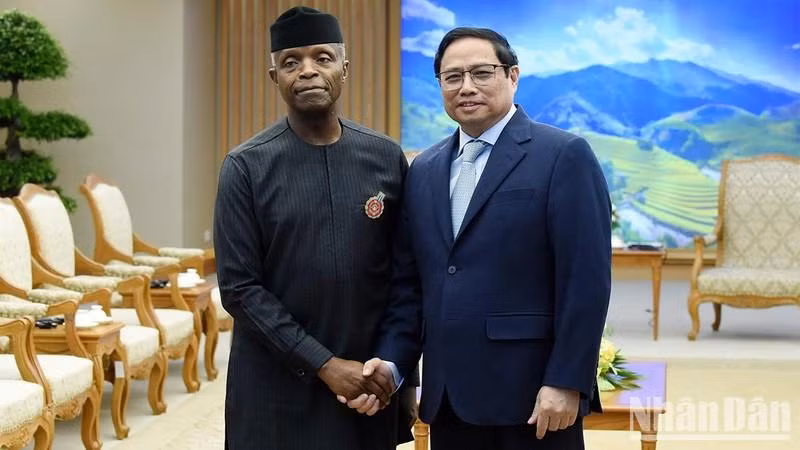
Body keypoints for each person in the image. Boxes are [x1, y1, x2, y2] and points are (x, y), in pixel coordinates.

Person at [348, 27, 612, 450]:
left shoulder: (563, 155)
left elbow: (586, 282)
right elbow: (410, 286)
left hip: (533, 400)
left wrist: (567, 381)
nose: (466, 87)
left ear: (512, 76)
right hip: (451, 400)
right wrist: (393, 363)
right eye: (452, 77)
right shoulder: (424, 169)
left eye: (481, 73)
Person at [213, 6, 414, 449]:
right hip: (274, 389)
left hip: (365, 389)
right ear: (275, 77)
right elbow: (240, 289)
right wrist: (323, 364)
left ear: (344, 68)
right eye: (291, 62)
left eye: (322, 58)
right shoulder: (246, 166)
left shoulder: (385, 158)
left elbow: (405, 279)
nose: (307, 71)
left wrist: (395, 370)